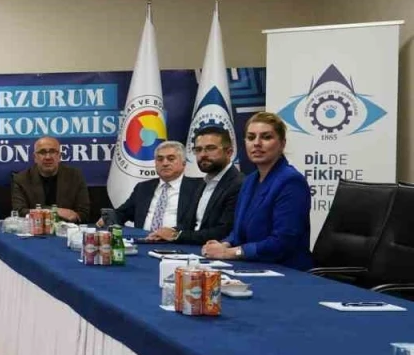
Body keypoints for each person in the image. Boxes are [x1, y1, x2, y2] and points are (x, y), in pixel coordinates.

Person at [203, 112, 312, 269]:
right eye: (251, 137)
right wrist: (224, 244)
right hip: (252, 265)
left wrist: (230, 253)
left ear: (282, 144)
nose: (257, 143)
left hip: (286, 270)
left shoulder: (291, 181)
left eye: (266, 137)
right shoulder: (249, 180)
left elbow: (282, 242)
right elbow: (239, 231)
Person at [160, 127, 243, 244]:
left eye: (210, 148)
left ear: (229, 152)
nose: (203, 154)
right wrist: (170, 231)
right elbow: (190, 224)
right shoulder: (203, 182)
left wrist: (177, 235)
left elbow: (224, 232)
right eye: (198, 150)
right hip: (190, 247)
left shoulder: (239, 184)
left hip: (215, 250)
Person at [101, 141, 200, 235]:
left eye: (171, 159)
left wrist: (173, 233)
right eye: (160, 159)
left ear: (184, 163)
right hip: (143, 240)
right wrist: (107, 219)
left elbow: (197, 223)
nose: (165, 163)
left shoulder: (197, 188)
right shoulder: (143, 188)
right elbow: (122, 213)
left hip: (178, 242)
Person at [10, 136, 90, 222]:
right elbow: (19, 212)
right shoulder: (21, 179)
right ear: (35, 157)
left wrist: (75, 216)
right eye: (42, 152)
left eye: (52, 152)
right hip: (34, 228)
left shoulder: (75, 176)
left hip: (67, 228)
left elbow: (84, 213)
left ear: (59, 156)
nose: (48, 157)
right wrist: (54, 211)